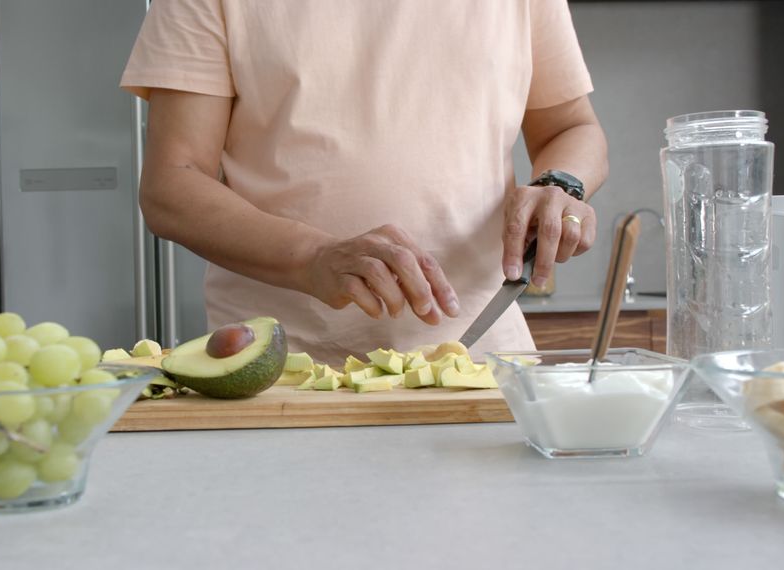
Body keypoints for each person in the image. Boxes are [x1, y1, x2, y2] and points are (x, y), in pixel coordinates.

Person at [121, 0, 608, 364]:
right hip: (279, 367)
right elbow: (172, 183)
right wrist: (312, 257)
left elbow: (572, 128)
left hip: (478, 355)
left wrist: (559, 184)